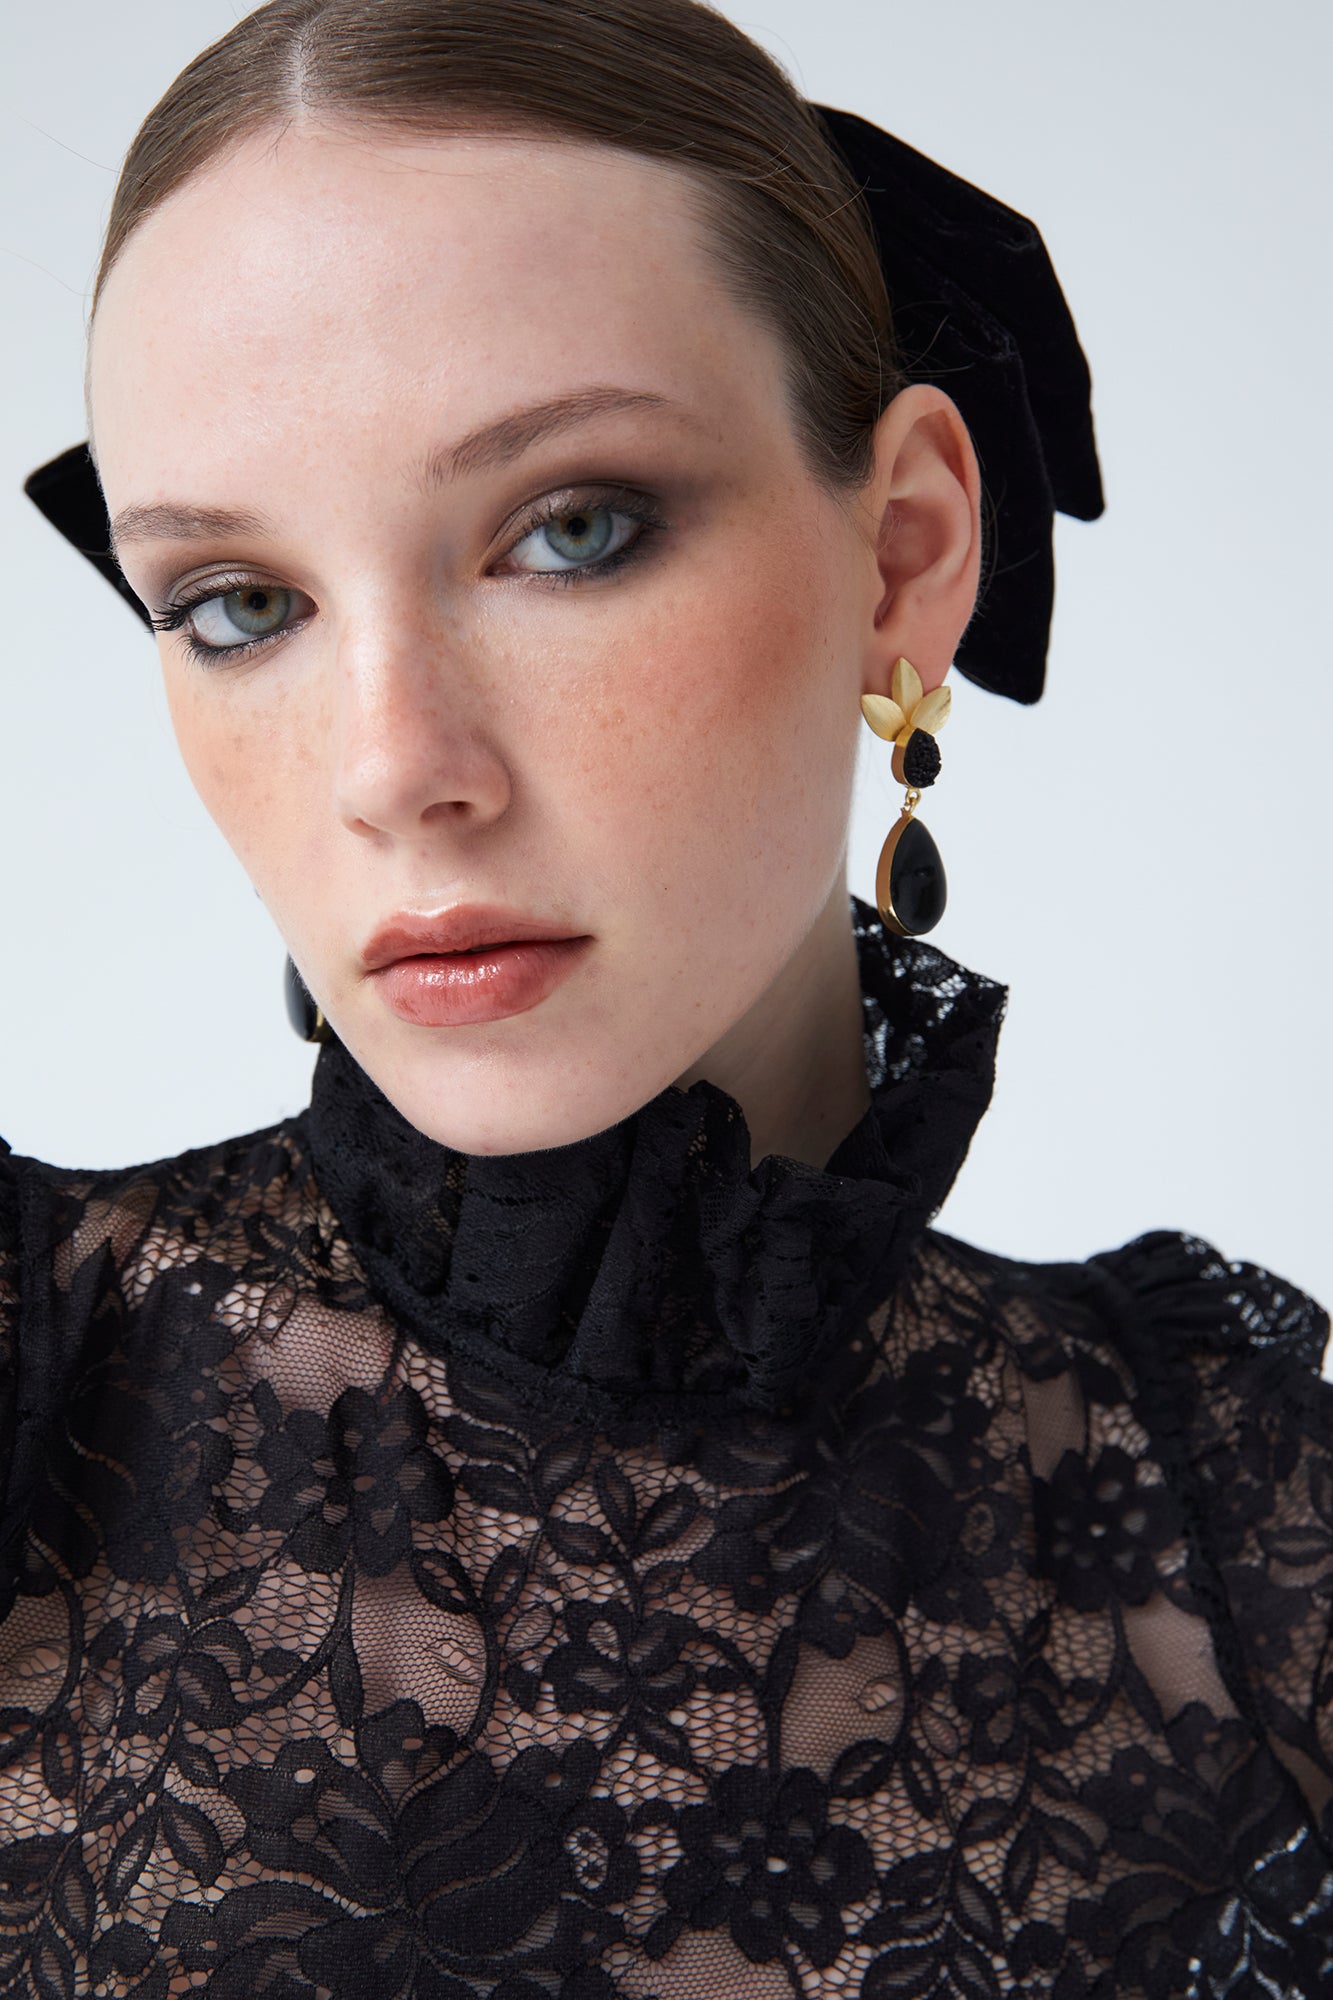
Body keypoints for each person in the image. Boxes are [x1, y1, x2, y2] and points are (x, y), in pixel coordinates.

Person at [4, 1, 1331, 1994]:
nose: (390, 766)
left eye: (571, 530)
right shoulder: (46, 1382)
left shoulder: (1243, 1503)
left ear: (903, 556)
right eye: (239, 604)